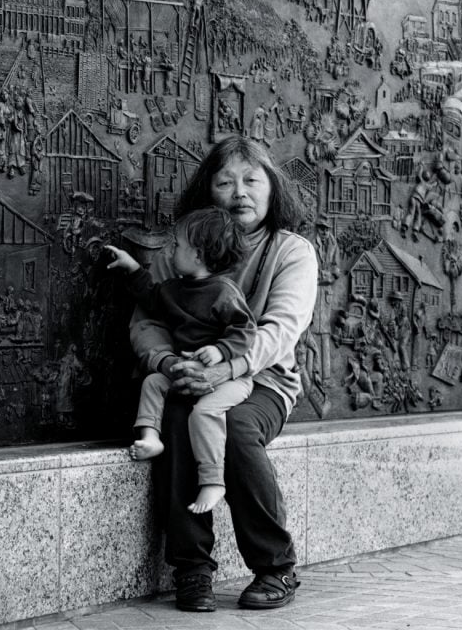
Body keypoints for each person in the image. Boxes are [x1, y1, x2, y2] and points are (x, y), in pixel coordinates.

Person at [130, 136, 317, 612]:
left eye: (252, 180)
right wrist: (170, 364)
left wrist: (229, 367)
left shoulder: (291, 251)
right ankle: (192, 571)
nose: (240, 192)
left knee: (233, 427)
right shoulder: (179, 249)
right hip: (187, 374)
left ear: (272, 188)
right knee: (174, 423)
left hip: (265, 381)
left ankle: (276, 567)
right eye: (225, 181)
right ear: (207, 190)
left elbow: (281, 330)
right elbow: (148, 323)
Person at [105, 207, 256, 514]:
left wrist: (220, 352)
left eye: (177, 246)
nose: (171, 251)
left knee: (204, 414)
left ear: (198, 255)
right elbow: (151, 297)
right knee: (153, 382)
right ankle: (150, 437)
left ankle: (213, 481)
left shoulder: (224, 292)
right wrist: (132, 267)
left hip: (229, 379)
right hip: (185, 371)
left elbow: (246, 331)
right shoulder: (175, 288)